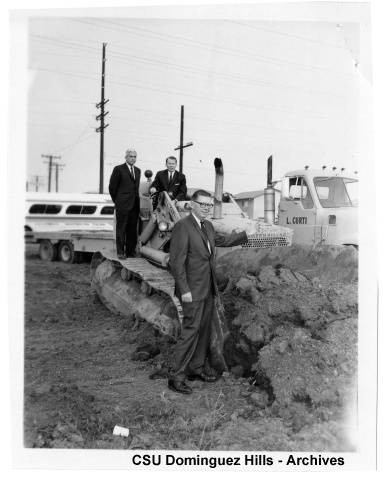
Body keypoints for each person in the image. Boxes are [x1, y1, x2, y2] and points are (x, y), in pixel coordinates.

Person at [168, 189, 248, 394]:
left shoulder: (208, 226)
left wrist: (246, 235)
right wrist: (184, 290)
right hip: (191, 291)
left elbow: (221, 242)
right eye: (202, 204)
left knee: (203, 331)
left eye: (208, 205)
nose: (205, 208)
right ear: (192, 205)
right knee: (190, 331)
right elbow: (176, 263)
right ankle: (176, 376)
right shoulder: (182, 227)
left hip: (207, 288)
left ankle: (195, 369)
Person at [109, 149, 141, 259]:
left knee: (132, 230)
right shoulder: (118, 169)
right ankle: (121, 253)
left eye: (134, 156)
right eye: (131, 156)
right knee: (121, 228)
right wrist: (118, 201)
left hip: (134, 205)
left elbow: (135, 188)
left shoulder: (137, 170)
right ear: (126, 157)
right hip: (122, 204)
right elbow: (112, 187)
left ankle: (130, 252)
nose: (133, 158)